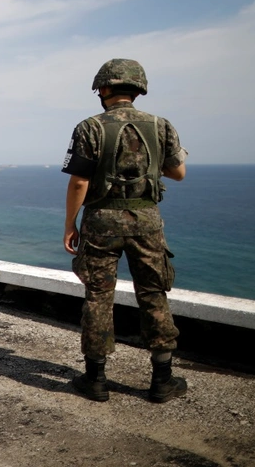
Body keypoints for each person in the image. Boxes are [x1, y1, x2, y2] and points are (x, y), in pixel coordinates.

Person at [61, 58, 188, 403]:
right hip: (147, 222)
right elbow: (178, 173)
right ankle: (162, 379)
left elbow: (80, 182)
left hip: (101, 222)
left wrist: (70, 224)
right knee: (153, 294)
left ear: (103, 89)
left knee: (99, 297)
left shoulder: (89, 127)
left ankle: (96, 379)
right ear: (137, 90)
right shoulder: (160, 125)